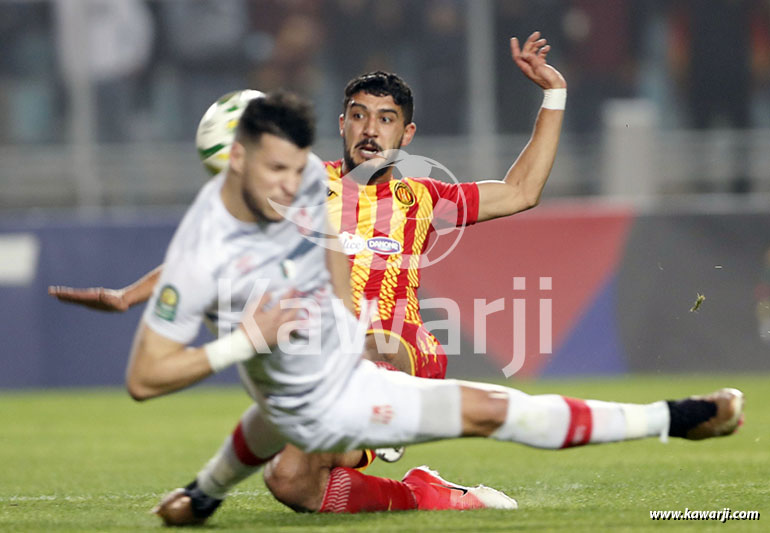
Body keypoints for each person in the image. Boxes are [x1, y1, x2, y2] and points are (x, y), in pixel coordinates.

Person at [116, 82, 743, 526]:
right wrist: (137, 292)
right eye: (358, 115)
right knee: (293, 482)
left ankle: (670, 417)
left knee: (367, 372)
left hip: (403, 350)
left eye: (385, 118)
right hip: (325, 357)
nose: (370, 129)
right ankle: (424, 491)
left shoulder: (423, 199)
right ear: (341, 124)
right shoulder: (305, 186)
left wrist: (553, 97)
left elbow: (521, 191)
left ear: (406, 134)